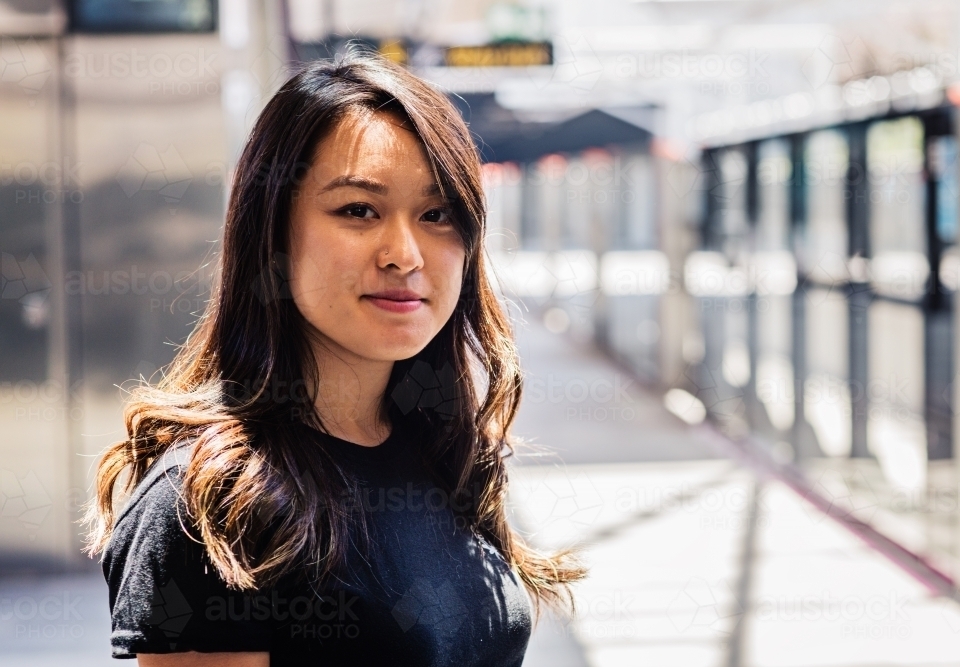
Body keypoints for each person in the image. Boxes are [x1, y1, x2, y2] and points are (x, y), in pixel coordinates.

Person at [84, 52, 585, 666]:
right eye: (358, 210)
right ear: (272, 232)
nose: (405, 254)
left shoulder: (441, 448)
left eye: (437, 215)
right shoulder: (209, 503)